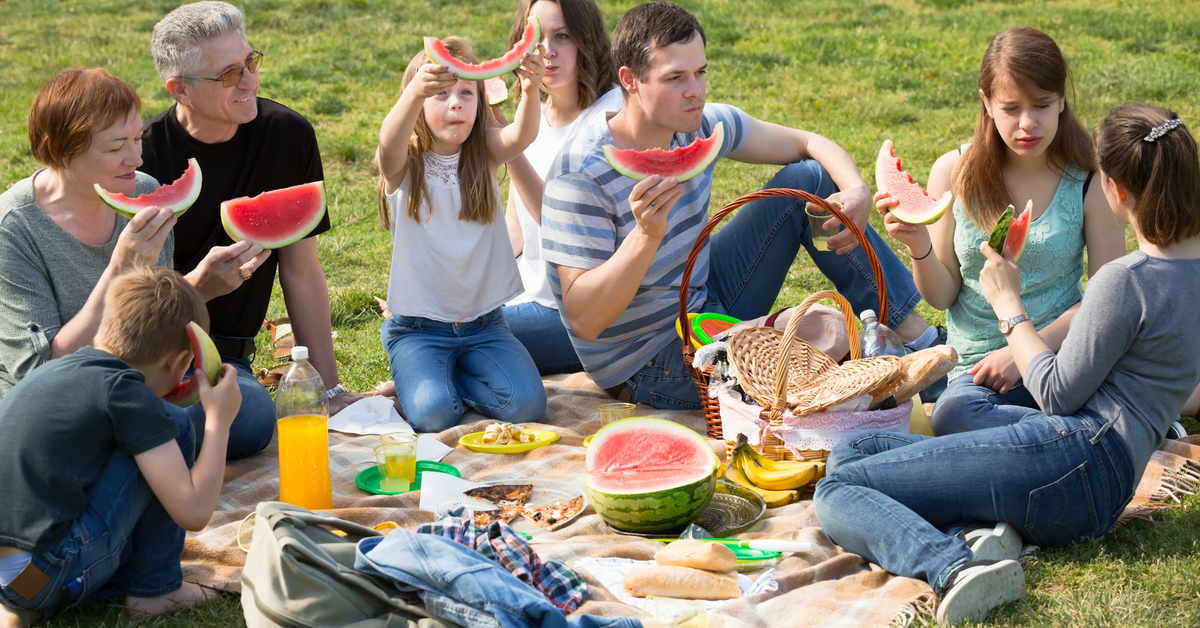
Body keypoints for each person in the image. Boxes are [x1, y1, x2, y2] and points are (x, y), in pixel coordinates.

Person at [814, 104, 1200, 625]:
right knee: (856, 450)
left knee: (835, 489)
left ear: (1117, 191)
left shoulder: (1128, 281)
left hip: (1076, 459)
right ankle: (978, 533)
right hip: (1100, 469)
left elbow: (1057, 394)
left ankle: (952, 566)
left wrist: (1007, 304)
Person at [540, 1, 939, 409]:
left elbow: (808, 144)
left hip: (703, 298)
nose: (695, 91)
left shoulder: (698, 127)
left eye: (700, 72)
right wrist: (644, 238)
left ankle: (916, 335)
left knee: (810, 181)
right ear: (630, 80)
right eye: (675, 78)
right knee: (810, 368)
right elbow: (584, 321)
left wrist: (855, 189)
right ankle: (899, 374)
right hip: (646, 360)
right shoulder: (580, 175)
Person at [141, 1, 363, 458]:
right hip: (147, 351)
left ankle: (133, 431)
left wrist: (330, 390)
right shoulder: (142, 160)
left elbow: (302, 274)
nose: (248, 81)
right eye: (227, 74)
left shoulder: (289, 136)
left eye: (250, 62)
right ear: (179, 89)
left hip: (225, 357)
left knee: (253, 419)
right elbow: (124, 303)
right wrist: (195, 290)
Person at [876, 28, 1125, 433]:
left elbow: (1106, 299)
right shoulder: (952, 171)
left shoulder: (1090, 182)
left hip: (1060, 353)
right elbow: (942, 296)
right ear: (986, 103)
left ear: (1062, 99)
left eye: (1041, 105)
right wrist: (919, 245)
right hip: (975, 373)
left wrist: (1026, 350)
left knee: (958, 420)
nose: (1028, 123)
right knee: (958, 413)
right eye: (1011, 108)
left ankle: (1057, 434)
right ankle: (1088, 432)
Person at [0, 267, 242, 627]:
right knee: (173, 423)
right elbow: (193, 512)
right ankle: (155, 591)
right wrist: (219, 421)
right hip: (47, 570)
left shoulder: (59, 370)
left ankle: (25, 603)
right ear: (179, 361)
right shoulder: (126, 393)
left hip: (11, 575)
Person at [375, 36, 549, 432]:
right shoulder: (407, 163)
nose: (456, 102)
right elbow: (388, 144)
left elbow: (520, 136)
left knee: (527, 406)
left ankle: (445, 379)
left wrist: (531, 89)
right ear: (418, 102)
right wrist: (416, 91)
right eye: (440, 94)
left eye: (466, 93)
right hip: (419, 328)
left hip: (486, 325)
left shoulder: (483, 154)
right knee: (434, 415)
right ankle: (423, 376)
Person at [0, 68, 176, 400]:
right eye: (115, 148)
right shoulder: (12, 228)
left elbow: (156, 328)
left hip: (131, 390)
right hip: (53, 408)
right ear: (62, 152)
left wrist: (202, 287)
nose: (136, 158)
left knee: (251, 412)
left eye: (137, 138)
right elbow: (38, 377)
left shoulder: (143, 193)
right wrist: (120, 269)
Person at [500, 0, 623, 376]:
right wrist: (457, 289)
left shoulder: (610, 119)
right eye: (535, 38)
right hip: (529, 298)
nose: (546, 51)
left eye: (562, 36)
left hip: (578, 312)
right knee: (432, 323)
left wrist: (507, 149)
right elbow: (516, 230)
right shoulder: (530, 107)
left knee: (450, 338)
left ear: (587, 42)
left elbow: (559, 228)